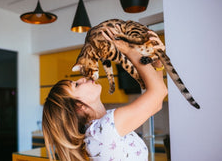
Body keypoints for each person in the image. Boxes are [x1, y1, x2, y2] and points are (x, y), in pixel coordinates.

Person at [42, 28, 167, 161]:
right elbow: (159, 92)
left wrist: (157, 63)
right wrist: (129, 50)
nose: (82, 78)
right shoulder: (105, 129)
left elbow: (157, 102)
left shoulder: (100, 129)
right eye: (76, 85)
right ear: (79, 106)